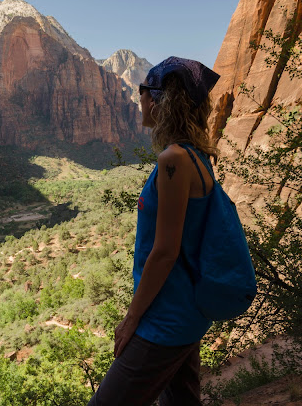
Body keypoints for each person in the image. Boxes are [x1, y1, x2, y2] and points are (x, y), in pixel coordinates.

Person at [87, 57, 221, 406]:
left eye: (143, 91)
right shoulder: (195, 155)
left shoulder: (174, 160)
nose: (138, 99)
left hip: (164, 320)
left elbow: (165, 251)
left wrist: (130, 320)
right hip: (185, 312)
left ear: (160, 100)